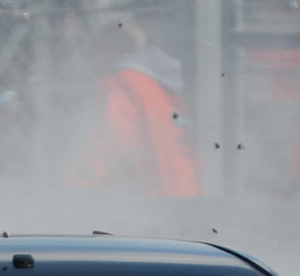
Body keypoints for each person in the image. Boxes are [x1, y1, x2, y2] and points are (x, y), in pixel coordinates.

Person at [66, 21, 203, 197]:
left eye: (95, 51)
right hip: (187, 198)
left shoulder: (121, 86)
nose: (91, 61)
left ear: (110, 49)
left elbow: (110, 144)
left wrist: (71, 186)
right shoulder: (162, 90)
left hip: (154, 203)